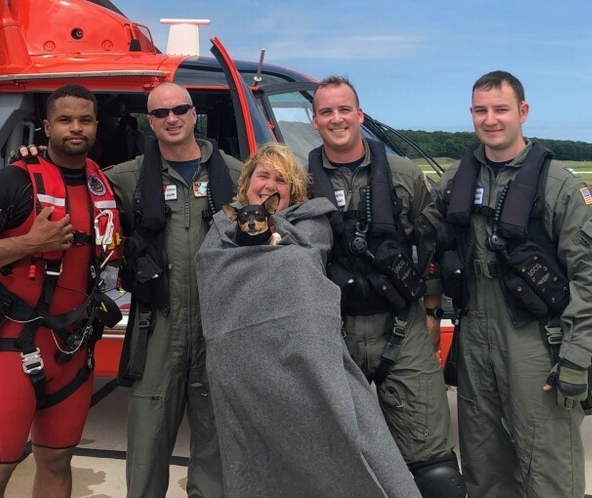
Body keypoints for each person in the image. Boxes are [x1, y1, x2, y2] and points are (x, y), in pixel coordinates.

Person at [196, 143, 421, 498]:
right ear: (248, 182)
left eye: (281, 179)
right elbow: (213, 276)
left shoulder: (311, 222)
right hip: (242, 367)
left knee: (342, 435)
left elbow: (301, 268)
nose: (270, 184)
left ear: (293, 190)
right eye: (263, 175)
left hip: (304, 357)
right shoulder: (221, 225)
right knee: (258, 459)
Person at [432, 70, 592, 498]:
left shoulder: (558, 186)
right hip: (475, 331)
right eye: (481, 110)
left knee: (548, 458)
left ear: (523, 112)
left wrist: (575, 356)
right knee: (482, 457)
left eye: (501, 109)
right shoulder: (456, 180)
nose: (490, 119)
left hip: (535, 338)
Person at [0, 84, 121, 498]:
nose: (75, 128)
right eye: (64, 120)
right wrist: (28, 244)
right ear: (46, 127)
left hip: (73, 351)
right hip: (12, 348)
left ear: (96, 126)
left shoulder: (106, 184)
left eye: (84, 120)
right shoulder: (13, 181)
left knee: (58, 463)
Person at [307, 76, 464, 498]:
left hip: (401, 325)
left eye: (344, 110)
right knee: (333, 460)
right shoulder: (299, 180)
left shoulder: (403, 174)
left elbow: (429, 245)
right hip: (331, 332)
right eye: (326, 112)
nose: (336, 119)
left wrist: (432, 311)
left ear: (359, 115)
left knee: (435, 469)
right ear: (314, 120)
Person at [104, 82, 243, 498]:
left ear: (193, 113)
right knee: (147, 443)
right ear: (151, 122)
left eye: (179, 109)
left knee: (217, 446)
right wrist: (31, 159)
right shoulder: (127, 178)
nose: (171, 119)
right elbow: (72, 182)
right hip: (157, 325)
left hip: (218, 328)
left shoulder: (237, 175)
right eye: (161, 114)